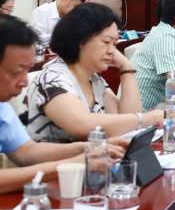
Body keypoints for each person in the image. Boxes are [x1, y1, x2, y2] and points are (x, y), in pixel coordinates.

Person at [0, 16, 124, 193]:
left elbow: (26, 152)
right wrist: (72, 164)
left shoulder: (3, 108)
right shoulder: (54, 77)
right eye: (16, 71)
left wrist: (87, 148)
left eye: (27, 70)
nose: (25, 81)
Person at [24, 3, 164, 142]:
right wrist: (147, 118)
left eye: (114, 44)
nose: (112, 51)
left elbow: (127, 119)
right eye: (106, 42)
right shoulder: (52, 78)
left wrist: (126, 67)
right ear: (80, 40)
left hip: (96, 154)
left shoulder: (94, 79)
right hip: (59, 156)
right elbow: (82, 125)